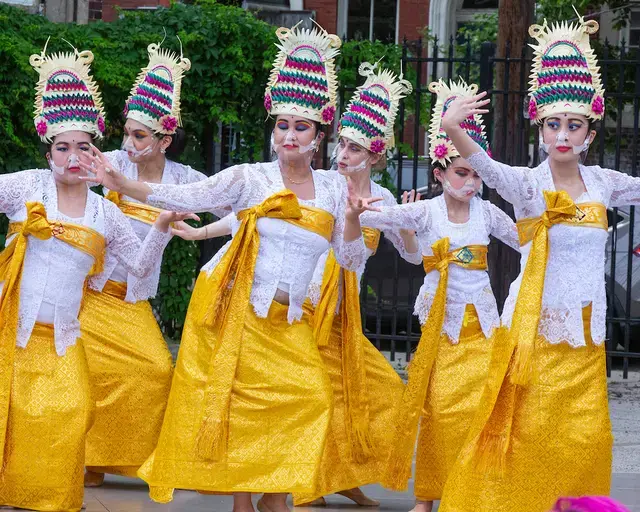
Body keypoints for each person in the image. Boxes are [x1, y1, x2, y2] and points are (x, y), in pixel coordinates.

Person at [80, 22, 378, 512]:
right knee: (238, 410)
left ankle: (273, 495)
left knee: (311, 401)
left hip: (293, 321)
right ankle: (252, 503)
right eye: (281, 125)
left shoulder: (332, 189)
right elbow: (185, 195)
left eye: (300, 127)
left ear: (319, 135)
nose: (288, 135)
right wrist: (124, 184)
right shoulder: (249, 178)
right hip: (243, 311)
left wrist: (348, 220)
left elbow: (347, 260)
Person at [437, 14, 637, 512]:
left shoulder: (606, 184)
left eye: (573, 125)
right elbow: (480, 164)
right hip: (534, 334)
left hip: (586, 333)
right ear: (541, 129)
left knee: (582, 434)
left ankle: (567, 505)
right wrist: (450, 124)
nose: (563, 134)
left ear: (590, 131)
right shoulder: (527, 185)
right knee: (522, 432)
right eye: (553, 125)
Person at [0, 42, 190, 512]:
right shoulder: (27, 185)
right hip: (10, 331)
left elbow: (142, 267)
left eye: (82, 148)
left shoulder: (105, 212)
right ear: (48, 152)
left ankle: (45, 492)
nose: (71, 157)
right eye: (61, 148)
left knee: (70, 410)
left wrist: (163, 228)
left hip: (62, 337)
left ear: (93, 153)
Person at [357, 78, 519, 512]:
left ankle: (473, 492)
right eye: (461, 173)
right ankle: (430, 493)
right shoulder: (424, 211)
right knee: (441, 412)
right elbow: (386, 216)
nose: (470, 183)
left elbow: (528, 239)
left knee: (480, 413)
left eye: (475, 174)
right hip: (441, 330)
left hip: (483, 328)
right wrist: (361, 208)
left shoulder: (487, 212)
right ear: (440, 172)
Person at [80, 40, 207, 488]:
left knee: (154, 371)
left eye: (140, 136)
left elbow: (225, 195)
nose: (128, 143)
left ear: (164, 139)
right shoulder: (108, 162)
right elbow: (65, 171)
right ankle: (88, 459)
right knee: (87, 372)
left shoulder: (183, 179)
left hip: (131, 299)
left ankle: (123, 458)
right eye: (127, 133)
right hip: (87, 295)